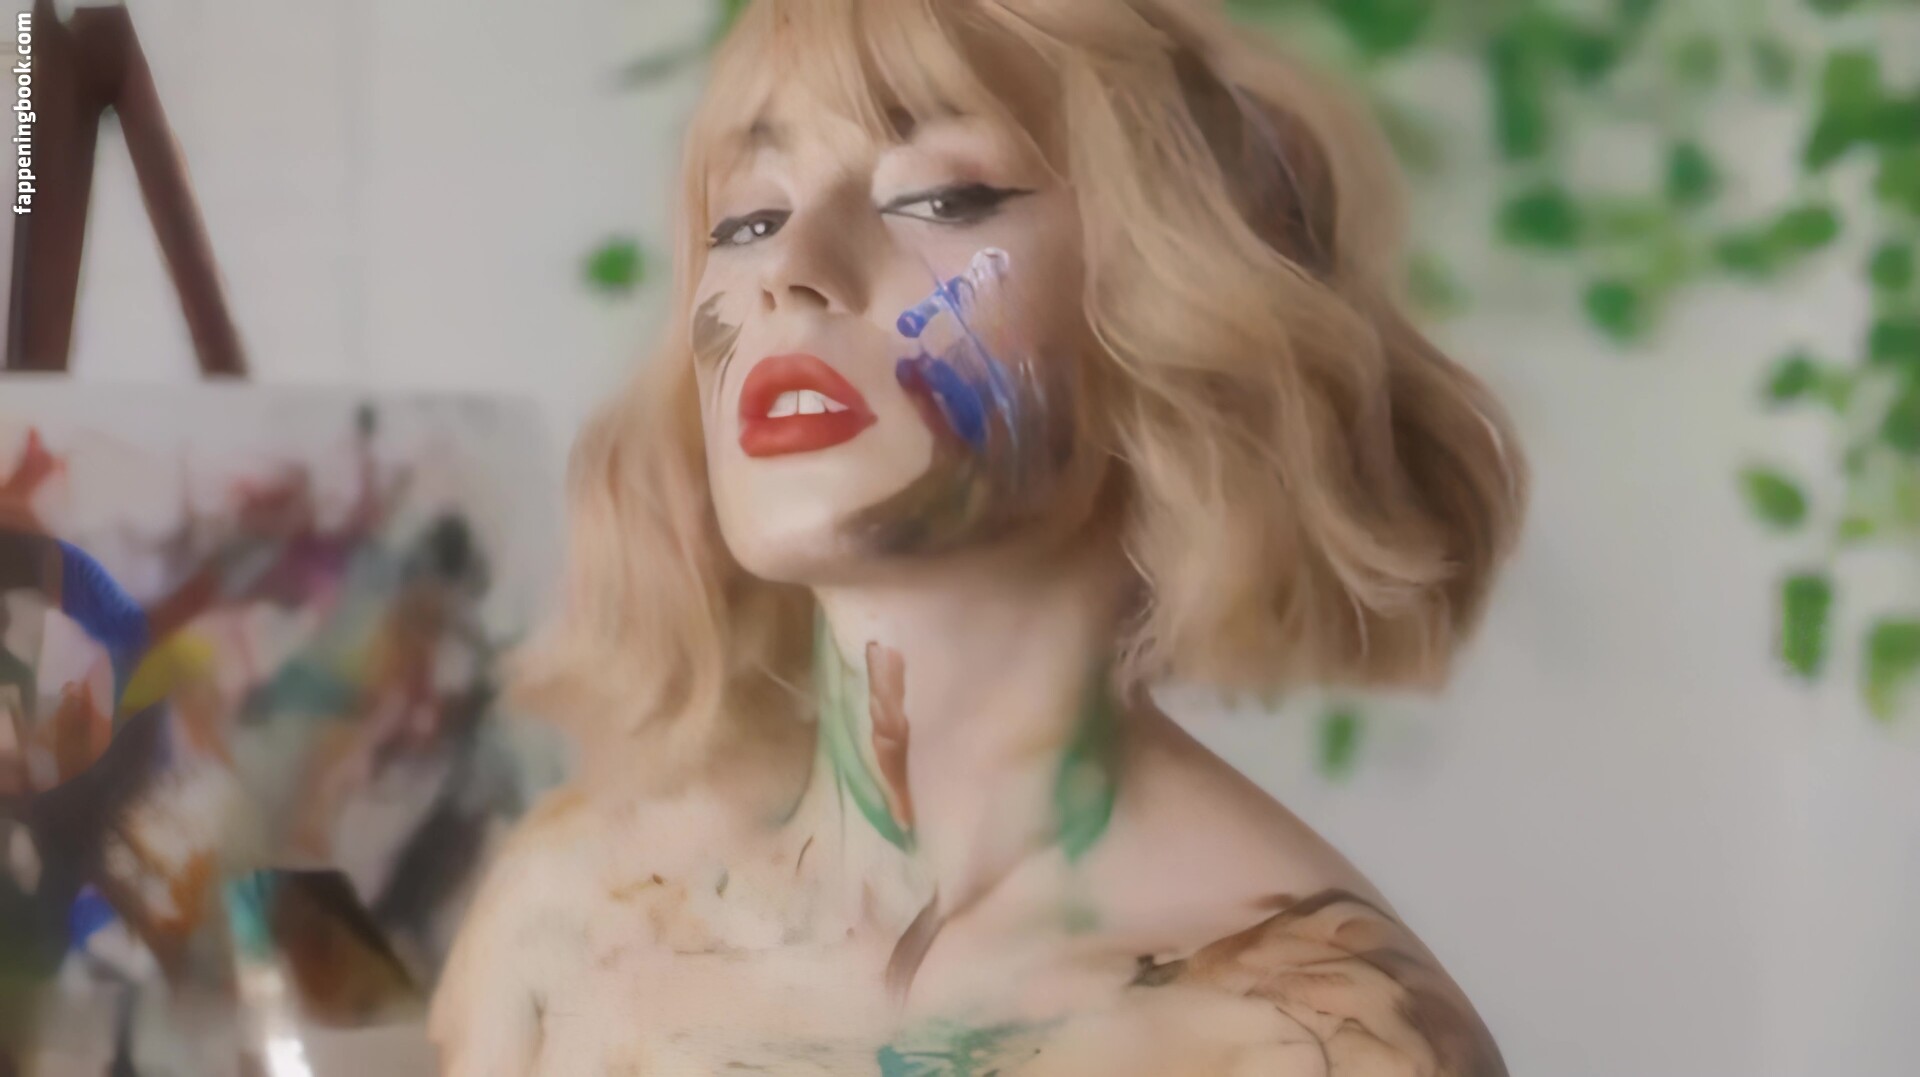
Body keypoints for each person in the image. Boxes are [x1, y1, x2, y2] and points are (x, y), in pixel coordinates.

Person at [432, 0, 1527, 1073]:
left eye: (942, 198)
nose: (791, 267)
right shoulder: (573, 923)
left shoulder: (1308, 1037)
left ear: (1173, 306)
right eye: (749, 218)